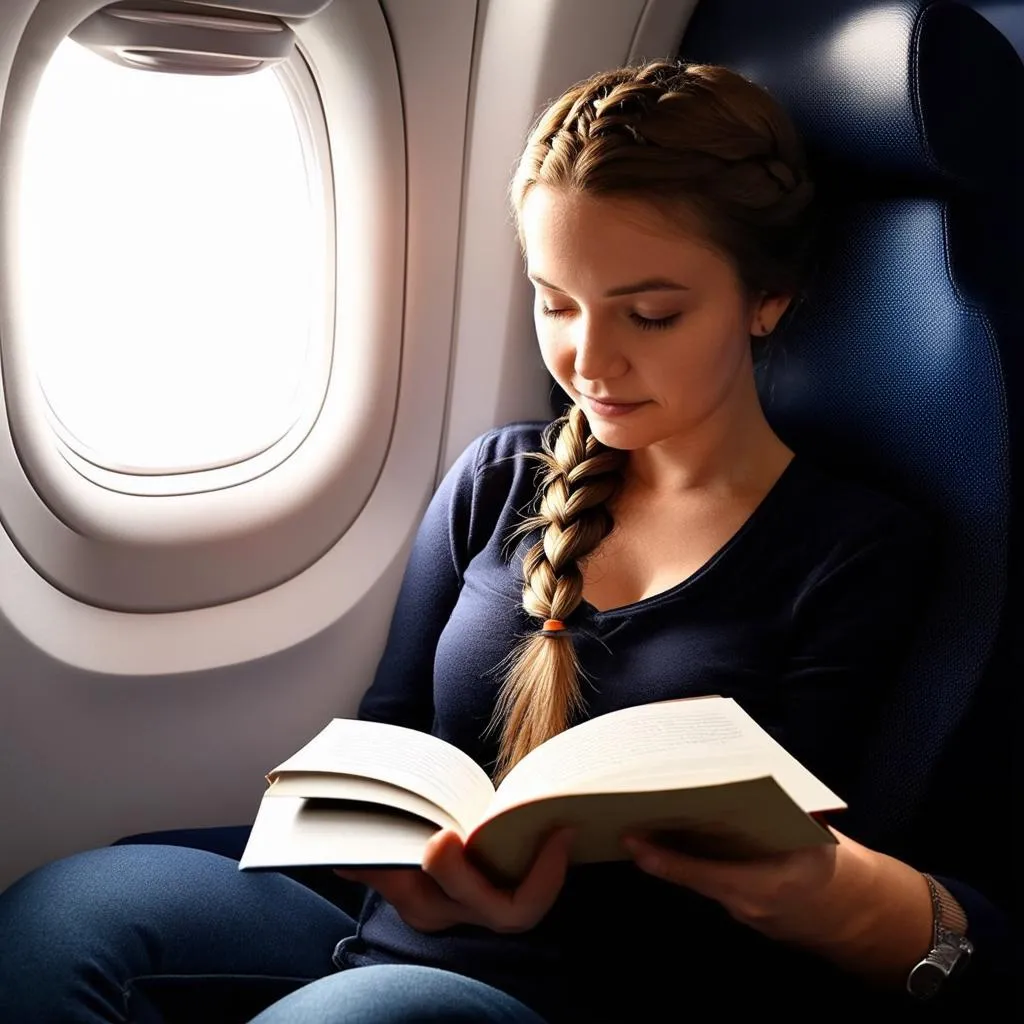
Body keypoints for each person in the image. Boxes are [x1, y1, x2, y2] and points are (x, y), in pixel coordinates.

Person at [0, 61, 1010, 1024]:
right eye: (554, 301)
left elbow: (779, 865)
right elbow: (393, 737)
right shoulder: (500, 477)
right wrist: (390, 849)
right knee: (62, 918)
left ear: (766, 300)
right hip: (394, 927)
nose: (588, 358)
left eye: (650, 314)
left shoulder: (853, 547)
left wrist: (526, 900)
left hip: (594, 985)